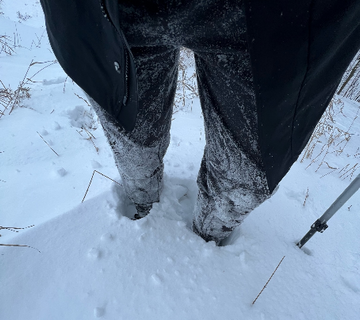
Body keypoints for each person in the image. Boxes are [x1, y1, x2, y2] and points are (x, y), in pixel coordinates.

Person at [40, 0, 360, 244]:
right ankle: (142, 205)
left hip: (284, 18)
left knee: (242, 182)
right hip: (106, 13)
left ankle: (207, 241)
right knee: (134, 144)